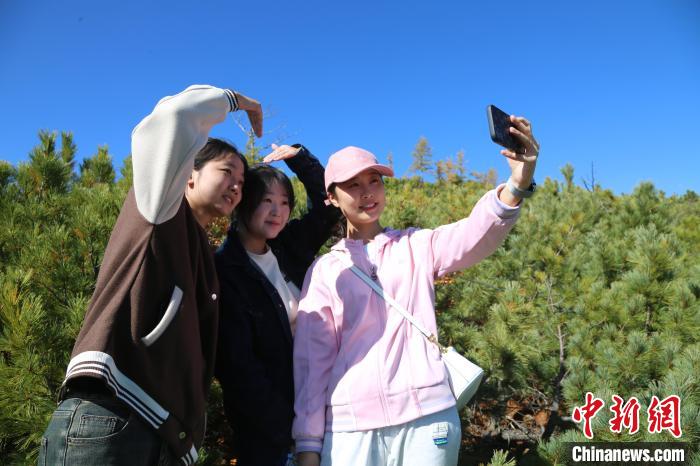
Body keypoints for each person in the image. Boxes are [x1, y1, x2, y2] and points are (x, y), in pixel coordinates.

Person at [293, 116, 540, 466]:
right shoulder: (325, 271)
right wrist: (307, 443)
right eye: (352, 185)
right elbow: (311, 363)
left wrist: (517, 184)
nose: (367, 193)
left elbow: (474, 234)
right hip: (351, 428)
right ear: (331, 197)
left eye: (374, 181)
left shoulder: (416, 245)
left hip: (428, 418)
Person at [39, 84, 263, 465]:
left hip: (160, 436)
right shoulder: (162, 207)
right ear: (188, 174)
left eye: (242, 182)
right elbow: (174, 116)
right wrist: (239, 101)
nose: (237, 186)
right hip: (113, 416)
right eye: (227, 172)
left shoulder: (205, 253)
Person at [215, 143, 341, 466]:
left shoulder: (287, 246)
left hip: (320, 412)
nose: (278, 211)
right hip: (270, 435)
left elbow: (329, 206)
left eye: (285, 202)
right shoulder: (226, 271)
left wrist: (300, 159)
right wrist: (288, 426)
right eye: (267, 201)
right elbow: (238, 368)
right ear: (244, 202)